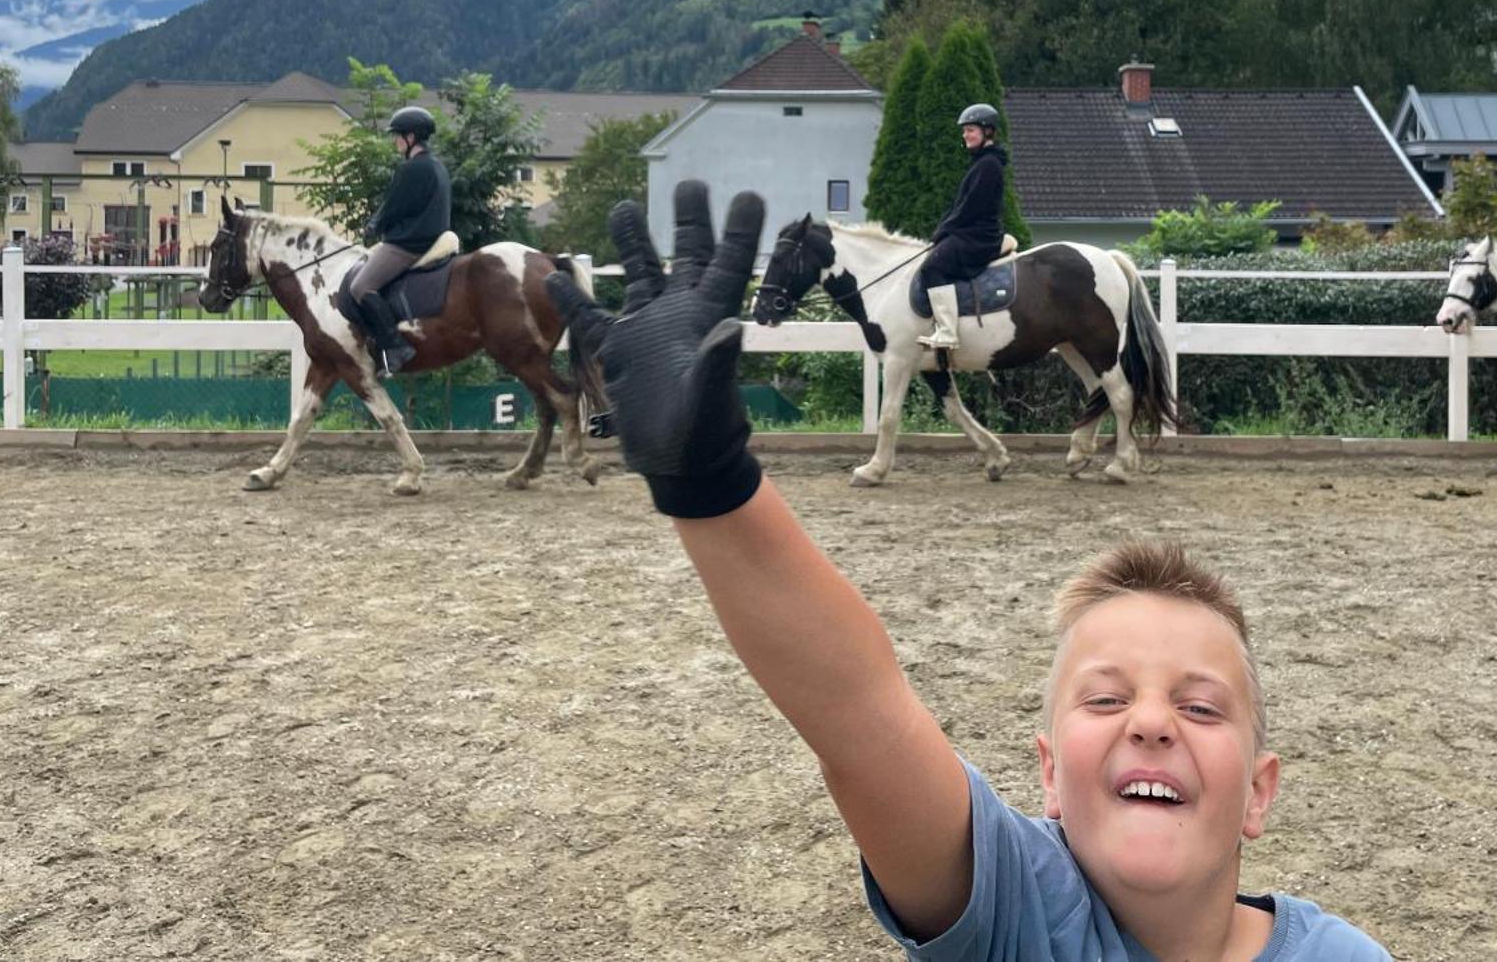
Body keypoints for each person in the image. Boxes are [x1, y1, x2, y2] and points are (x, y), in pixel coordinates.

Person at [543, 181, 1391, 961]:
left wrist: (954, 235)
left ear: (1259, 792)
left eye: (1201, 706)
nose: (1151, 723)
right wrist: (708, 490)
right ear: (1049, 774)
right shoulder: (1019, 910)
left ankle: (953, 333)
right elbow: (859, 715)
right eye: (1103, 698)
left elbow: (974, 221)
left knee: (936, 279)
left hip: (977, 245)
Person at [349, 105, 451, 377]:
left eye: (397, 135)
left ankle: (395, 347)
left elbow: (392, 208)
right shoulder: (437, 167)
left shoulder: (412, 170)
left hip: (408, 245)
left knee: (361, 285)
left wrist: (373, 225)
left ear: (411, 137)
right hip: (433, 240)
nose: (394, 141)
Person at [919, 103, 1008, 350]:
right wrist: (942, 229)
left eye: (970, 130)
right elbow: (959, 206)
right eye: (965, 131)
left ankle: (947, 332)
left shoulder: (988, 165)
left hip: (979, 237)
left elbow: (970, 208)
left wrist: (944, 231)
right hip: (971, 233)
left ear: (987, 131)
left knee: (932, 267)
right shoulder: (982, 163)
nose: (965, 135)